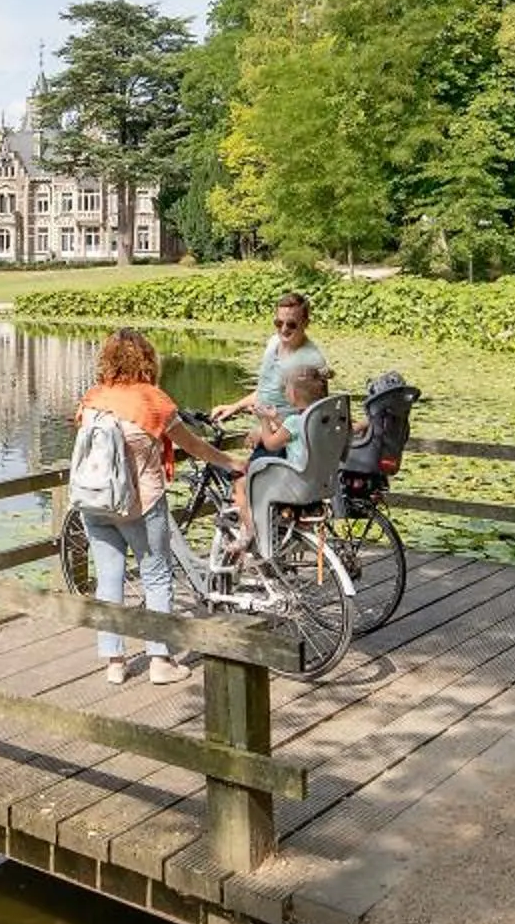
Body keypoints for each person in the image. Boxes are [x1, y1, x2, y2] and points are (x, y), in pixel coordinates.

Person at [74, 327, 240, 686]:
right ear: (148, 360)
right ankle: (160, 660)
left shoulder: (92, 399)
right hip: (140, 504)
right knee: (156, 574)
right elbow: (194, 447)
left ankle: (114, 663)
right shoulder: (153, 400)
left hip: (96, 503)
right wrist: (230, 462)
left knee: (109, 578)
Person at [231, 359, 337, 551]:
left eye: (286, 388)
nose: (284, 392)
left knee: (241, 484)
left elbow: (271, 443)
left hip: (293, 481)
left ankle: (249, 532)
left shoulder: (295, 421)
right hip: (316, 481)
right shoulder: (317, 420)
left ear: (294, 393)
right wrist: (275, 418)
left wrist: (263, 420)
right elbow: (297, 436)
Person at [212, 292, 328, 459]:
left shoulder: (310, 360)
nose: (284, 329)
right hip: (269, 424)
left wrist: (268, 430)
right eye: (278, 323)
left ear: (306, 323)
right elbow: (267, 389)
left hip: (287, 442)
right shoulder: (273, 342)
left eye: (291, 325)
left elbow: (314, 414)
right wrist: (235, 406)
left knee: (242, 479)